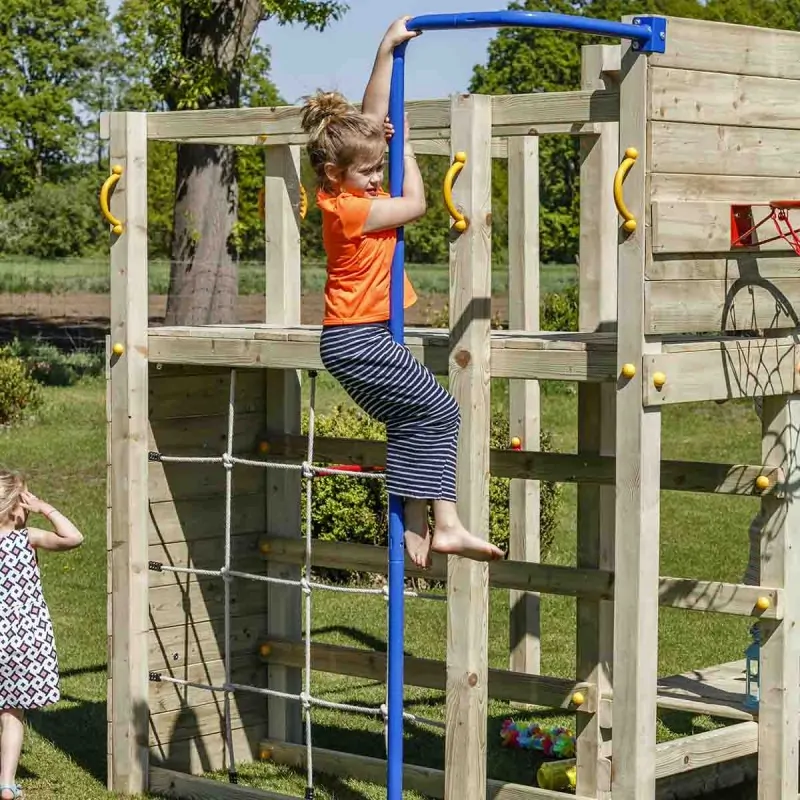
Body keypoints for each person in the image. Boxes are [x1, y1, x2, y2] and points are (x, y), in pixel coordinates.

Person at [299, 17, 504, 568]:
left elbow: (369, 119)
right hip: (357, 339)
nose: (375, 177)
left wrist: (384, 48)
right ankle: (448, 524)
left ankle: (418, 523)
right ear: (333, 174)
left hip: (353, 339)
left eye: (376, 168)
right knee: (440, 412)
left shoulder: (344, 187)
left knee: (414, 417)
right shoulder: (350, 209)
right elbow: (415, 204)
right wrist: (405, 151)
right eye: (367, 171)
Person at [0, 471, 84, 800]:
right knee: (11, 713)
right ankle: (6, 783)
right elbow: (74, 537)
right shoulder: (28, 537)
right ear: (15, 507)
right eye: (26, 498)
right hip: (25, 639)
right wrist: (45, 508)